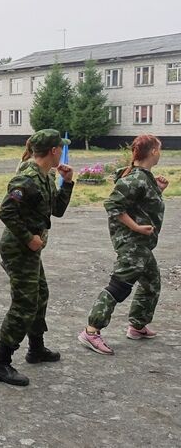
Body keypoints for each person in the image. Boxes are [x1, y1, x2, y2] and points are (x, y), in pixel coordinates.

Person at [0, 129, 73, 387]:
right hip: (18, 248)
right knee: (24, 303)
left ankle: (36, 348)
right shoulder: (27, 178)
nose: (62, 150)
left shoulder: (45, 175)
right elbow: (6, 211)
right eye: (61, 147)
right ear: (54, 150)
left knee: (41, 294)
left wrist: (67, 183)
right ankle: (0, 363)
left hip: (31, 249)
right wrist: (28, 238)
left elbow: (56, 210)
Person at [79, 134, 167, 355]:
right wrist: (136, 228)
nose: (161, 152)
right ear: (153, 152)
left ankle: (137, 325)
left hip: (142, 246)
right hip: (132, 243)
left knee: (151, 283)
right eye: (160, 148)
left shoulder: (143, 177)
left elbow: (139, 203)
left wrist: (158, 190)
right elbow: (113, 205)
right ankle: (91, 330)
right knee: (120, 286)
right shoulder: (134, 179)